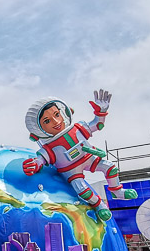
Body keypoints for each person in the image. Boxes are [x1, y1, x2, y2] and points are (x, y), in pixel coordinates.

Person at [22, 89, 136, 222]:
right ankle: (100, 205)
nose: (55, 121)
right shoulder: (49, 147)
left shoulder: (77, 129)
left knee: (110, 167)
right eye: (47, 121)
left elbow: (97, 124)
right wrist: (34, 165)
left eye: (57, 114)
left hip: (89, 158)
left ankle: (117, 191)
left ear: (63, 113)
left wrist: (101, 111)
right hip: (71, 171)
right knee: (81, 188)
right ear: (38, 129)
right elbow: (41, 160)